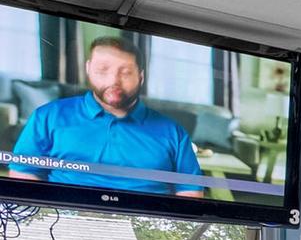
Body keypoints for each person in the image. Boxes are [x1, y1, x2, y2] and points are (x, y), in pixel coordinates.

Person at [6, 36, 205, 195]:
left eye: (125, 72)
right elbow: (23, 173)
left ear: (141, 77)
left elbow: (190, 190)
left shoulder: (173, 131)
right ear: (88, 69)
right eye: (103, 70)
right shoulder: (48, 116)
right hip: (64, 217)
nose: (113, 80)